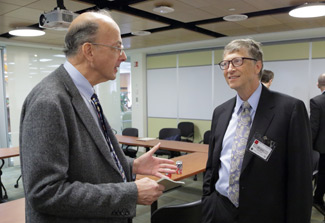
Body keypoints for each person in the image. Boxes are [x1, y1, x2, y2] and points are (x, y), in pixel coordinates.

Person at [19, 10, 176, 223]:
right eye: (117, 47)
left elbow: (87, 163)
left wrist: (132, 166)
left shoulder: (86, 93)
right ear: (89, 51)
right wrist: (130, 193)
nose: (123, 56)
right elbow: (45, 192)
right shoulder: (49, 101)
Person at [202, 38, 312, 223]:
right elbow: (213, 166)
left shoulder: (289, 110)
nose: (229, 69)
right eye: (225, 64)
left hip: (265, 213)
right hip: (220, 210)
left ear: (257, 66)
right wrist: (207, 202)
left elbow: (300, 179)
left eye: (237, 61)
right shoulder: (220, 112)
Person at [310, 73, 325, 213]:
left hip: (322, 148)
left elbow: (313, 128)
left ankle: (318, 199)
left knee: (322, 174)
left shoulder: (317, 101)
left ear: (318, 84)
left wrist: (308, 147)